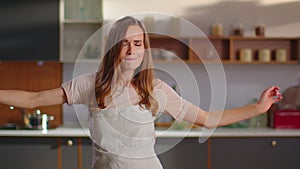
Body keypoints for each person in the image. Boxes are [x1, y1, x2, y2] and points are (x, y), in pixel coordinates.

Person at [0, 16, 282, 169]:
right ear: (113, 48)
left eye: (138, 43)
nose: (132, 49)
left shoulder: (155, 90)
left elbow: (207, 119)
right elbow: (32, 99)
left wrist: (258, 108)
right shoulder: (89, 86)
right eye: (125, 43)